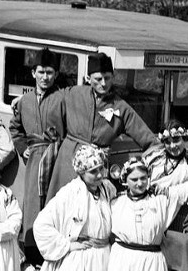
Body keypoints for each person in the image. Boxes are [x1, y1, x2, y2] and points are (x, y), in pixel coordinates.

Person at [45, 52, 156, 201]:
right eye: (98, 79)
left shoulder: (121, 107)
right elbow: (46, 103)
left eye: (107, 78)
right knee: (62, 206)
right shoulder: (72, 94)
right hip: (67, 164)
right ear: (88, 78)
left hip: (97, 169)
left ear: (113, 77)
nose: (103, 83)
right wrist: (20, 101)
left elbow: (149, 140)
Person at [9, 48, 66, 269]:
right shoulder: (25, 101)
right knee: (33, 204)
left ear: (56, 74)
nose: (45, 77)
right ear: (33, 73)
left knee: (53, 203)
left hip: (57, 159)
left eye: (50, 72)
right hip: (34, 159)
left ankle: (53, 254)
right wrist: (22, 146)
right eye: (41, 72)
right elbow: (15, 127)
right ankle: (32, 256)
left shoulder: (62, 99)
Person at [142, 120, 188, 190]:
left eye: (176, 141)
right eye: (167, 142)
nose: (172, 146)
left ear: (184, 139)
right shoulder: (153, 158)